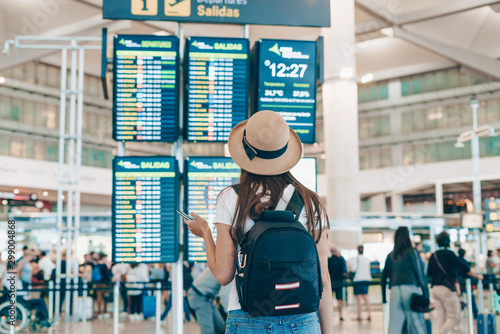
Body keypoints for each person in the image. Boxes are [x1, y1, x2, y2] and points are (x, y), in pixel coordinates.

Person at [183, 111, 333, 334]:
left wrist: (205, 231)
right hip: (303, 321)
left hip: (248, 319)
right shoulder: (311, 201)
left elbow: (224, 275)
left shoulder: (232, 197)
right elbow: (323, 279)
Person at [427, 232, 483, 334]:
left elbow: (429, 273)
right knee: (455, 317)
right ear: (448, 241)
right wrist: (476, 276)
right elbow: (464, 267)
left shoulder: (433, 255)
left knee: (440, 318)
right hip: (447, 289)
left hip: (434, 289)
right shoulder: (450, 254)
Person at [381, 227, 428, 334]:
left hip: (394, 290)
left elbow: (383, 277)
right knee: (416, 325)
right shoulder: (412, 251)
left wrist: (384, 297)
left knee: (394, 327)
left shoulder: (391, 255)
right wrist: (426, 294)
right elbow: (419, 273)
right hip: (410, 289)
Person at [187, 268, 232, 334]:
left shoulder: (225, 265)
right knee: (208, 331)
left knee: (220, 328)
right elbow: (224, 295)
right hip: (199, 296)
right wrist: (230, 314)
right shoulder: (231, 271)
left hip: (207, 297)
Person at [348, 245, 372, 321]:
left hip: (358, 280)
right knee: (366, 297)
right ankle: (369, 314)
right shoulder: (367, 259)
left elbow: (353, 269)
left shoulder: (355, 259)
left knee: (358, 299)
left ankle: (360, 316)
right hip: (366, 279)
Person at [457, 248, 478, 318]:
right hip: (465, 283)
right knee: (471, 296)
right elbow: (468, 271)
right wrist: (476, 276)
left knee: (459, 298)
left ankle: (460, 311)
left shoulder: (457, 261)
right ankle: (475, 312)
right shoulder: (463, 262)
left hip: (458, 283)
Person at [328, 246, 347, 321]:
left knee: (329, 300)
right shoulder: (341, 259)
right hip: (339, 282)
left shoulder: (328, 260)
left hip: (331, 283)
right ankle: (340, 315)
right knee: (340, 299)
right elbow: (344, 271)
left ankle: (329, 315)